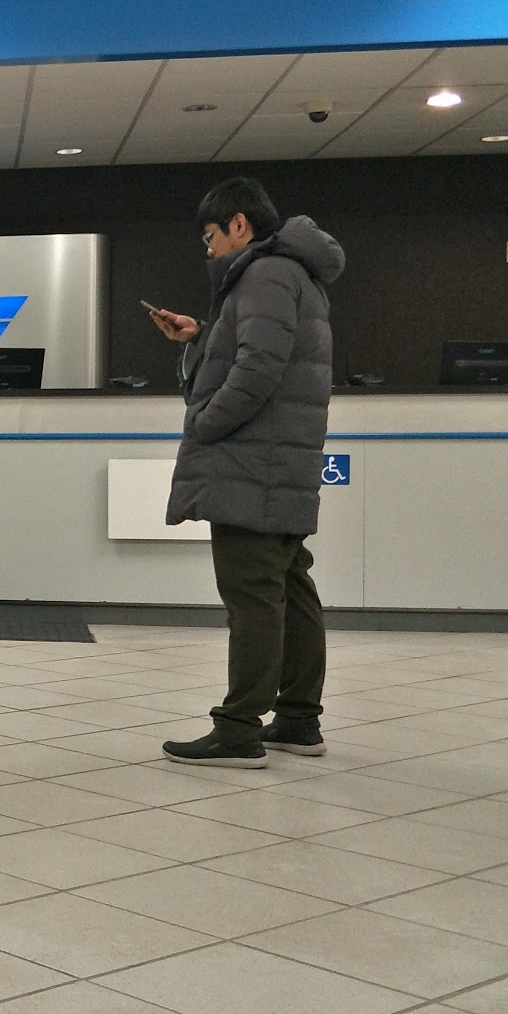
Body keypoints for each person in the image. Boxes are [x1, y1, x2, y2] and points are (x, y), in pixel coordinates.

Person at [148, 177, 345, 767]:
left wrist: (204, 421)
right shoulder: (293, 273)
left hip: (252, 462)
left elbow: (258, 368)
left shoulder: (264, 273)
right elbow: (263, 353)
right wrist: (201, 337)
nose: (207, 248)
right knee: (289, 588)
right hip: (279, 460)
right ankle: (298, 720)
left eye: (210, 235)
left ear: (240, 224)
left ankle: (238, 729)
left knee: (252, 595)